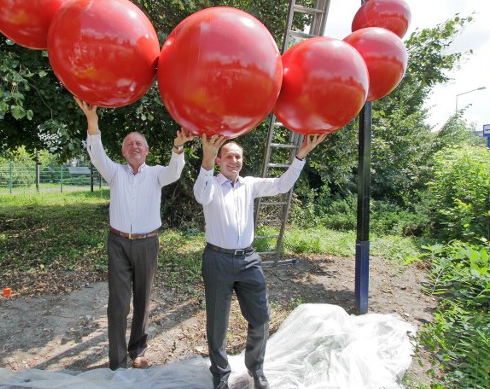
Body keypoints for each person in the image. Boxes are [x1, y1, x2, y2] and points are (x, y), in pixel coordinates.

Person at [193, 133, 327, 389]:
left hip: (248, 259)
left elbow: (281, 184)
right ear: (220, 160)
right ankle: (220, 374)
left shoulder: (249, 184)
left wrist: (300, 155)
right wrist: (206, 161)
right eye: (228, 156)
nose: (234, 160)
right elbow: (201, 195)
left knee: (261, 317)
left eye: (238, 156)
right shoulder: (209, 184)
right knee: (217, 322)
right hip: (217, 259)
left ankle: (256, 369)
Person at [76, 97, 195, 370]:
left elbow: (175, 171)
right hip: (118, 243)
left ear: (147, 150)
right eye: (129, 144)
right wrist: (92, 122)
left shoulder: (156, 174)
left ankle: (138, 351)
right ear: (123, 151)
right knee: (117, 303)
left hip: (147, 243)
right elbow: (96, 154)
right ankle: (117, 360)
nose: (134, 146)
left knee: (143, 299)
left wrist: (178, 147)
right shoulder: (114, 172)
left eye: (139, 143)